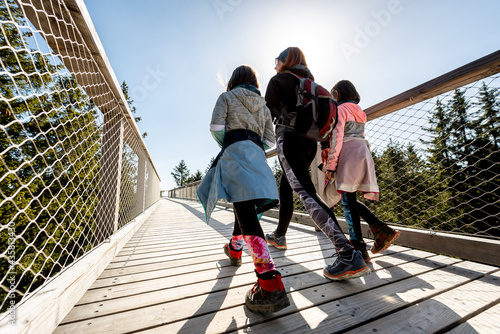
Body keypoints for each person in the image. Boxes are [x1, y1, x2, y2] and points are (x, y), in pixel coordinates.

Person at [264, 47, 370, 280]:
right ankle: (279, 235)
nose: (275, 66)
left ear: (286, 61)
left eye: (277, 61)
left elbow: (266, 115)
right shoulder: (312, 85)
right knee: (289, 182)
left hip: (288, 138)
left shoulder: (278, 80)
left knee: (305, 191)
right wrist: (323, 149)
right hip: (310, 144)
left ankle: (347, 253)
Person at [196, 65, 290, 313]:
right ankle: (235, 249)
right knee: (246, 205)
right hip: (258, 155)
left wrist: (229, 142)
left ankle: (269, 282)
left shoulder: (226, 97)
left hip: (235, 153)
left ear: (233, 81)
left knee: (245, 211)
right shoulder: (263, 105)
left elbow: (216, 127)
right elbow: (270, 140)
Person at [323, 79, 401, 262]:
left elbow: (337, 139)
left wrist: (331, 166)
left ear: (337, 94)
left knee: (347, 201)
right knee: (348, 198)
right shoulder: (361, 112)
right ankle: (380, 229)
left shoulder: (340, 110)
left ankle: (358, 248)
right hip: (363, 152)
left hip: (348, 154)